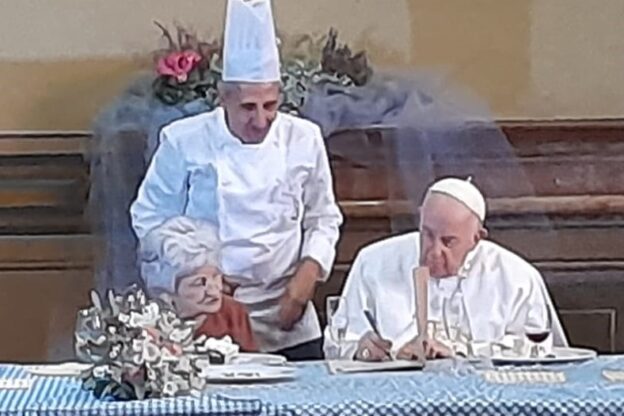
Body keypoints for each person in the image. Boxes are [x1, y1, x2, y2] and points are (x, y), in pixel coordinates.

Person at [130, 0, 343, 360]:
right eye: (248, 107)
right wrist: (196, 270)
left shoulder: (304, 138)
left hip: (288, 312)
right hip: (208, 316)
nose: (261, 120)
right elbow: (149, 219)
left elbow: (323, 218)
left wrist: (307, 277)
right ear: (223, 98)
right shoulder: (183, 140)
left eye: (270, 106)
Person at [324, 177, 568, 361]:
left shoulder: (516, 277)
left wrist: (460, 352)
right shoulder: (374, 262)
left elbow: (539, 350)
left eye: (448, 241)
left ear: (477, 237)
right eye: (427, 235)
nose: (434, 251)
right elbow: (338, 342)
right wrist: (362, 350)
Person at [140, 216, 257, 352]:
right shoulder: (147, 319)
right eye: (200, 283)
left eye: (216, 277)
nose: (213, 291)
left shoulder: (233, 313)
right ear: (166, 289)